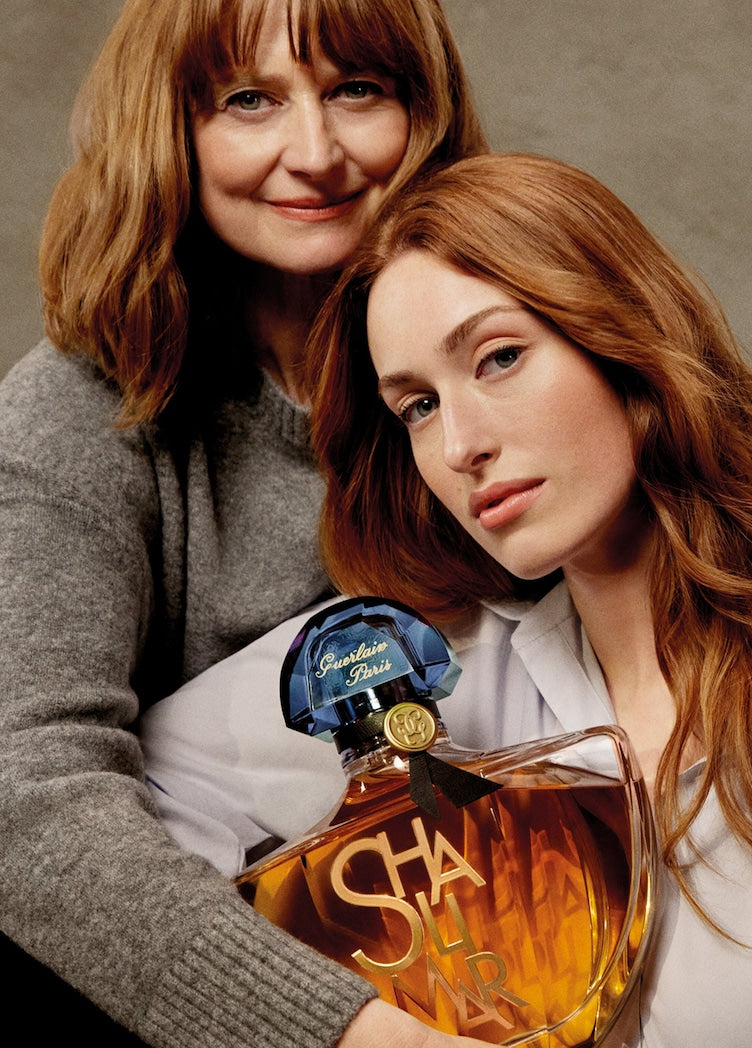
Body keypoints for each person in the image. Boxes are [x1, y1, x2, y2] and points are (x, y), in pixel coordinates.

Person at [302, 153, 752, 1046]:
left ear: (622, 341)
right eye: (418, 407)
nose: (461, 445)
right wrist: (353, 1025)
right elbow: (95, 820)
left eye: (499, 358)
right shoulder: (434, 674)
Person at [0, 0, 488, 1045]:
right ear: (168, 129)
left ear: (426, 111)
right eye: (248, 100)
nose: (313, 153)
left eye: (357, 90)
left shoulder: (508, 355)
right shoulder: (73, 415)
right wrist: (351, 1034)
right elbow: (24, 799)